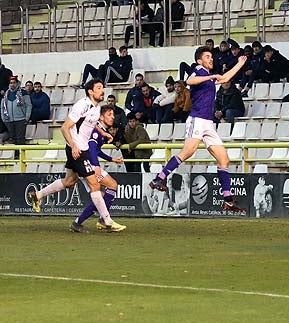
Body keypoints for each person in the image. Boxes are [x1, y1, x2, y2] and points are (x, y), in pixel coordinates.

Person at [149, 47, 248, 213]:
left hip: (208, 123)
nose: (211, 59)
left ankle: (228, 199)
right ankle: (160, 178)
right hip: (197, 120)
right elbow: (189, 81)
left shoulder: (208, 78)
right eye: (207, 57)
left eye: (211, 57)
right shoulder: (199, 70)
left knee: (224, 160)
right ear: (199, 61)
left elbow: (224, 78)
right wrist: (211, 76)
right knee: (188, 152)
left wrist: (240, 64)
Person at [28, 80, 125, 232]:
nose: (102, 90)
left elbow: (90, 123)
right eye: (99, 88)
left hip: (78, 148)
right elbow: (64, 127)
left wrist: (103, 132)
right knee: (95, 185)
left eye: (102, 88)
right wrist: (74, 146)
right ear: (90, 92)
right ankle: (107, 221)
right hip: (78, 149)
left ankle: (38, 195)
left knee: (69, 181)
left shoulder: (96, 107)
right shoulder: (82, 105)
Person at [70, 105, 127, 233]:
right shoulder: (96, 131)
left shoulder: (100, 130)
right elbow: (91, 149)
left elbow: (96, 150)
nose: (112, 117)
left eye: (113, 114)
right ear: (101, 117)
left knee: (100, 197)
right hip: (88, 165)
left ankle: (77, 223)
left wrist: (111, 159)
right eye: (109, 114)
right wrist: (96, 166)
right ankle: (103, 220)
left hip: (85, 164)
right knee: (113, 185)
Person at [1, 76, 31, 149]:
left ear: (17, 83)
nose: (12, 84)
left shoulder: (23, 93)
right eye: (11, 83)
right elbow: (2, 107)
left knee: (20, 139)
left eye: (14, 83)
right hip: (9, 120)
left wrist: (26, 117)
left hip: (20, 119)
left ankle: (20, 156)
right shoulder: (6, 94)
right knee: (12, 139)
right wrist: (3, 118)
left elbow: (29, 106)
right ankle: (14, 155)